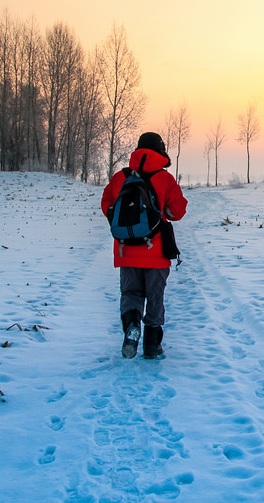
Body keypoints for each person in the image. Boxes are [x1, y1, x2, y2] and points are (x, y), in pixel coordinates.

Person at [100, 132, 187, 359]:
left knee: (130, 293)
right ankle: (151, 346)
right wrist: (161, 213)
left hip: (126, 250)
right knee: (155, 297)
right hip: (156, 253)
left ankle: (131, 326)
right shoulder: (165, 179)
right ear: (161, 150)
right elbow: (177, 212)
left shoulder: (121, 177)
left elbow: (107, 204)